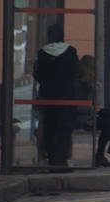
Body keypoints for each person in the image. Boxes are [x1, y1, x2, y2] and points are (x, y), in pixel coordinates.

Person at [34, 23, 80, 171]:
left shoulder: (42, 53)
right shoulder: (71, 52)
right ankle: (64, 157)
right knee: (65, 126)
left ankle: (49, 157)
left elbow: (38, 74)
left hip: (48, 94)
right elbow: (75, 73)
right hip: (67, 95)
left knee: (49, 125)